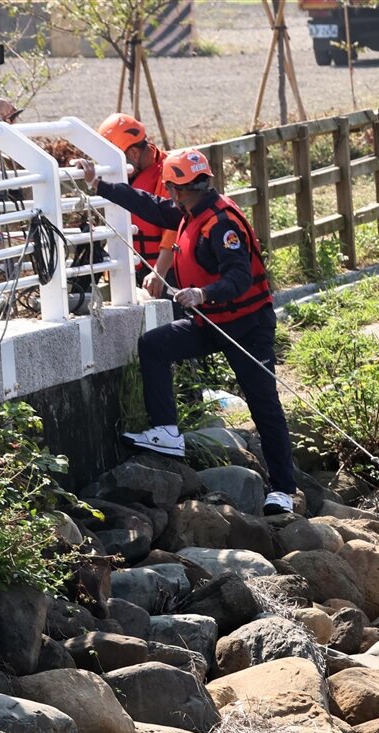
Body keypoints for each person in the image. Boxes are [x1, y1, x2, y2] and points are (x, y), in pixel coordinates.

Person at [75, 148, 296, 515]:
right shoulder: (187, 211)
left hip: (247, 328)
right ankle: (167, 432)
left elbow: (239, 277)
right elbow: (149, 205)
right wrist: (99, 185)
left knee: (264, 404)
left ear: (179, 189)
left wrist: (203, 293)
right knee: (155, 346)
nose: (168, 196)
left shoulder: (222, 223)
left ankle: (283, 490)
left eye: (171, 190)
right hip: (210, 322)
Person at [96, 113, 175, 291]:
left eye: (114, 159)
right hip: (131, 272)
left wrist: (158, 272)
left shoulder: (170, 174)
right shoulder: (122, 176)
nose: (110, 166)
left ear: (133, 152)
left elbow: (174, 231)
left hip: (169, 274)